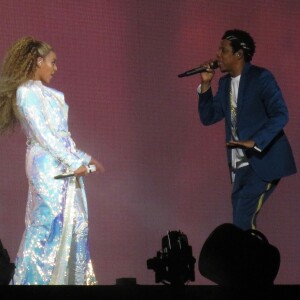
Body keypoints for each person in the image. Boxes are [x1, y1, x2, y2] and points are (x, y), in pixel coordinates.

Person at [0, 36, 105, 285]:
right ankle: (33, 284)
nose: (55, 68)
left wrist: (86, 158)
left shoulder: (53, 96)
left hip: (63, 162)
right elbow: (44, 135)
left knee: (76, 222)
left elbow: (62, 137)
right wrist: (72, 161)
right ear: (38, 61)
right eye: (52, 62)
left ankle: (71, 283)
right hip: (45, 165)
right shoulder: (25, 93)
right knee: (47, 222)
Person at [197, 29, 296, 230]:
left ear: (238, 54)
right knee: (241, 223)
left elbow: (281, 114)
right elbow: (208, 117)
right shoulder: (224, 84)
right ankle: (250, 259)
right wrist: (205, 85)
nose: (217, 55)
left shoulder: (261, 77)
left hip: (262, 161)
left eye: (223, 50)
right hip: (239, 165)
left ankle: (248, 261)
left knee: (242, 220)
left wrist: (256, 141)